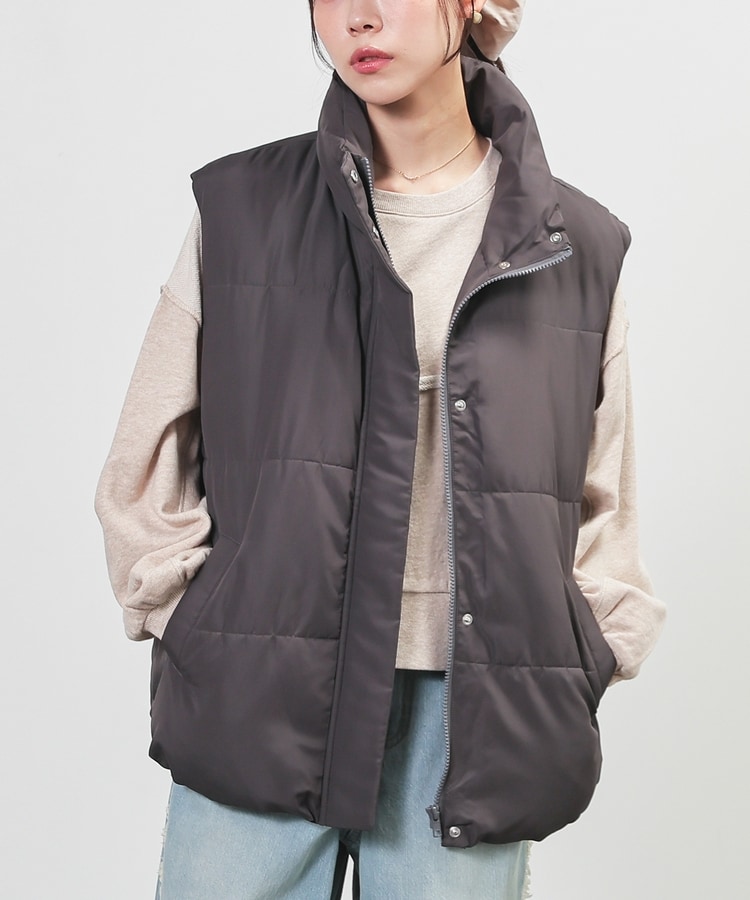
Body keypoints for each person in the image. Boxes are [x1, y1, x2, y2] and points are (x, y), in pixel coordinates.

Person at [94, 1, 667, 897]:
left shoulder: (578, 245)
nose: (359, 17)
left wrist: (586, 651)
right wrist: (198, 619)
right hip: (264, 688)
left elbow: (607, 496)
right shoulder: (243, 210)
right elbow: (145, 455)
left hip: (476, 715)